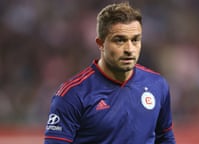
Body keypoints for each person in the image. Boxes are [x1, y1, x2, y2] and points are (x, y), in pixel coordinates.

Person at [44, 2, 176, 144]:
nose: (129, 49)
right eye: (120, 40)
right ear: (100, 43)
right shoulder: (72, 95)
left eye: (135, 40)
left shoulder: (157, 85)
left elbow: (165, 138)